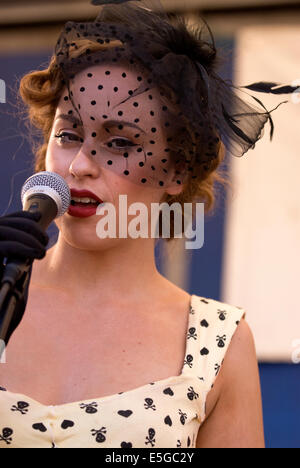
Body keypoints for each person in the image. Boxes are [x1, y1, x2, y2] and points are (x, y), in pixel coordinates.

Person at [0, 0, 291, 448]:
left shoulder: (217, 342)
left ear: (177, 171)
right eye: (69, 134)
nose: (79, 165)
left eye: (118, 142)